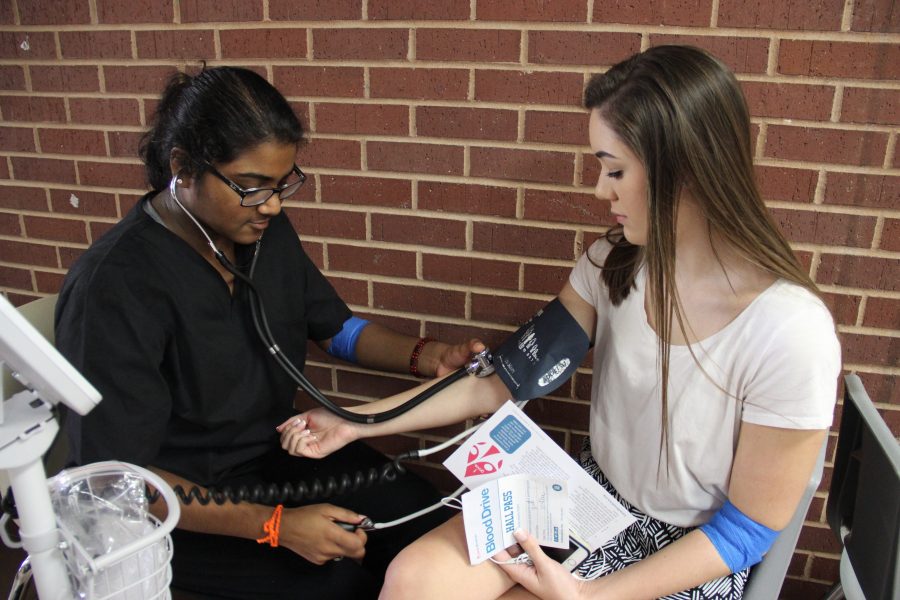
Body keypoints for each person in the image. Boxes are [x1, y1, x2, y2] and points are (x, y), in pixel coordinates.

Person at [280, 45, 842, 599]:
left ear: (686, 169)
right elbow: (501, 379)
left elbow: (747, 530)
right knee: (414, 579)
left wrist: (589, 595)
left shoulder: (790, 332)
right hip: (588, 496)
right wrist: (356, 421)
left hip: (689, 548)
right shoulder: (614, 264)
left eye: (615, 169)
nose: (601, 191)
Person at [54, 66, 482, 599]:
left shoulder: (263, 233)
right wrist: (275, 526)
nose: (274, 206)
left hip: (280, 458)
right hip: (187, 508)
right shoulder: (114, 289)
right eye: (252, 188)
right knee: (340, 582)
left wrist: (428, 356)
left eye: (283, 185)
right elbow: (124, 481)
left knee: (428, 518)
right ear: (182, 167)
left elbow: (336, 330)